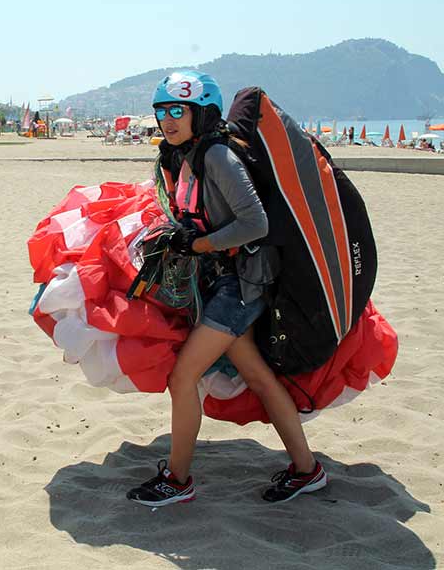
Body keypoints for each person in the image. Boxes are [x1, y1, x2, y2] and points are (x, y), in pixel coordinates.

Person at [126, 71, 326, 507]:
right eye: (162, 111)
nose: (167, 120)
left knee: (183, 377)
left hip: (240, 285)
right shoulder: (185, 156)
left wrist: (196, 244)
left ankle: (177, 480)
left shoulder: (216, 156)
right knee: (257, 375)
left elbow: (256, 223)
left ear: (203, 113)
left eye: (178, 110)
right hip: (224, 280)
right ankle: (307, 470)